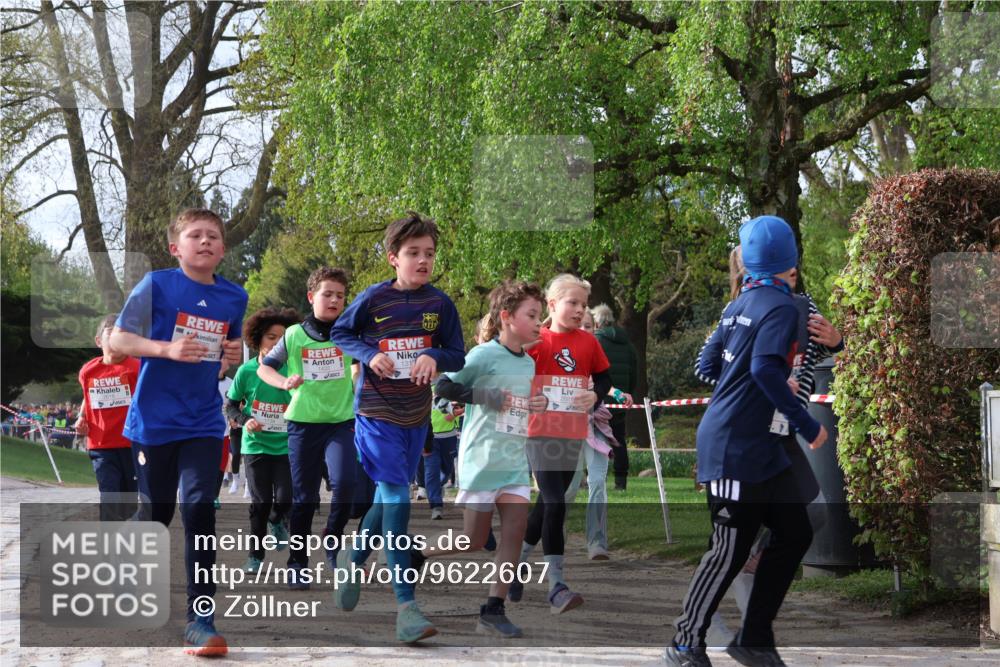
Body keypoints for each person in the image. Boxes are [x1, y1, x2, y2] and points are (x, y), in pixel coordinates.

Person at [665, 215, 828, 667]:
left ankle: (754, 638)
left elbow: (714, 365)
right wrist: (806, 423)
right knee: (729, 549)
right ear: (790, 258)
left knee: (794, 532)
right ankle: (684, 642)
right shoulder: (779, 306)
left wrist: (751, 389)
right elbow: (761, 371)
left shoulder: (742, 302)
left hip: (760, 446)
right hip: (735, 445)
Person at [110, 207, 247, 657]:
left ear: (222, 249)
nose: (205, 241)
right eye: (195, 235)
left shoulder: (234, 296)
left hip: (204, 422)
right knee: (156, 517)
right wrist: (165, 348)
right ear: (176, 247)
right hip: (154, 422)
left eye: (213, 236)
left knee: (199, 511)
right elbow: (118, 341)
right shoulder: (158, 285)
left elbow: (231, 350)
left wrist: (231, 354)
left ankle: (200, 620)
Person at [699, 245, 845, 650]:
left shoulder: (800, 305)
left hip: (785, 431)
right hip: (748, 435)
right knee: (733, 542)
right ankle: (715, 626)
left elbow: (820, 352)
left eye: (793, 270)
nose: (788, 274)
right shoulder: (739, 310)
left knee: (809, 515)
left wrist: (837, 342)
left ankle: (750, 623)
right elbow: (706, 367)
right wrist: (757, 388)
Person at [330, 211, 466, 643]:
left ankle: (353, 559)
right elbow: (340, 332)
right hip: (375, 413)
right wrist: (369, 356)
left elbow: (457, 353)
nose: (422, 260)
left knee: (391, 497)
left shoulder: (440, 304)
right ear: (393, 257)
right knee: (395, 497)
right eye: (413, 253)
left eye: (429, 253)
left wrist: (435, 357)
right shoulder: (373, 299)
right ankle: (406, 605)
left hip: (415, 415)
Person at [419, 280, 546, 638]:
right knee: (472, 540)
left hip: (514, 461)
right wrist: (484, 396)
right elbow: (442, 387)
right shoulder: (482, 355)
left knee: (514, 532)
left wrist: (538, 404)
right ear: (506, 317)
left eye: (540, 315)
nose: (540, 322)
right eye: (532, 315)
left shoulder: (529, 365)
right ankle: (416, 557)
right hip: (482, 459)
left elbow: (520, 403)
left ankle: (493, 609)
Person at [508, 273, 612, 613]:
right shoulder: (537, 341)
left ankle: (515, 566)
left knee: (546, 507)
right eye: (573, 303)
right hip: (539, 434)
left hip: (572, 434)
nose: (580, 309)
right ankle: (557, 586)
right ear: (552, 305)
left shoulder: (589, 342)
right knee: (555, 504)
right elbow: (511, 373)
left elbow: (605, 376)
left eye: (583, 304)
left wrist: (594, 395)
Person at [256, 267, 361, 588]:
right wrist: (284, 381)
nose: (334, 300)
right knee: (304, 497)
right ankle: (297, 562)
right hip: (303, 425)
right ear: (311, 296)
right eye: (327, 294)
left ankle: (333, 538)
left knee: (345, 484)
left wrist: (358, 378)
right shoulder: (293, 335)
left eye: (340, 295)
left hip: (341, 423)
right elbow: (264, 369)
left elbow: (360, 364)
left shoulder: (349, 333)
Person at [226, 306, 300, 573]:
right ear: (258, 339)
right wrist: (246, 421)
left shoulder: (292, 370)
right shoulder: (246, 372)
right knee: (259, 503)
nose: (277, 343)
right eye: (271, 337)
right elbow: (231, 405)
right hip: (256, 446)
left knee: (286, 498)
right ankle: (255, 556)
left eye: (282, 338)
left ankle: (277, 521)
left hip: (286, 446)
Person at [75, 313, 140, 521]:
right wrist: (80, 417)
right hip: (101, 445)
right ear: (98, 341)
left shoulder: (137, 368)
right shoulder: (88, 371)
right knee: (109, 494)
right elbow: (88, 396)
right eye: (110, 337)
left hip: (131, 444)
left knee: (129, 500)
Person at [592, 303, 638, 491]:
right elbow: (635, 373)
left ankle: (594, 479)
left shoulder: (595, 341)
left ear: (597, 323)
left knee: (593, 439)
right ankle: (621, 482)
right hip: (620, 399)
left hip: (599, 399)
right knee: (619, 440)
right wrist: (627, 394)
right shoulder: (628, 344)